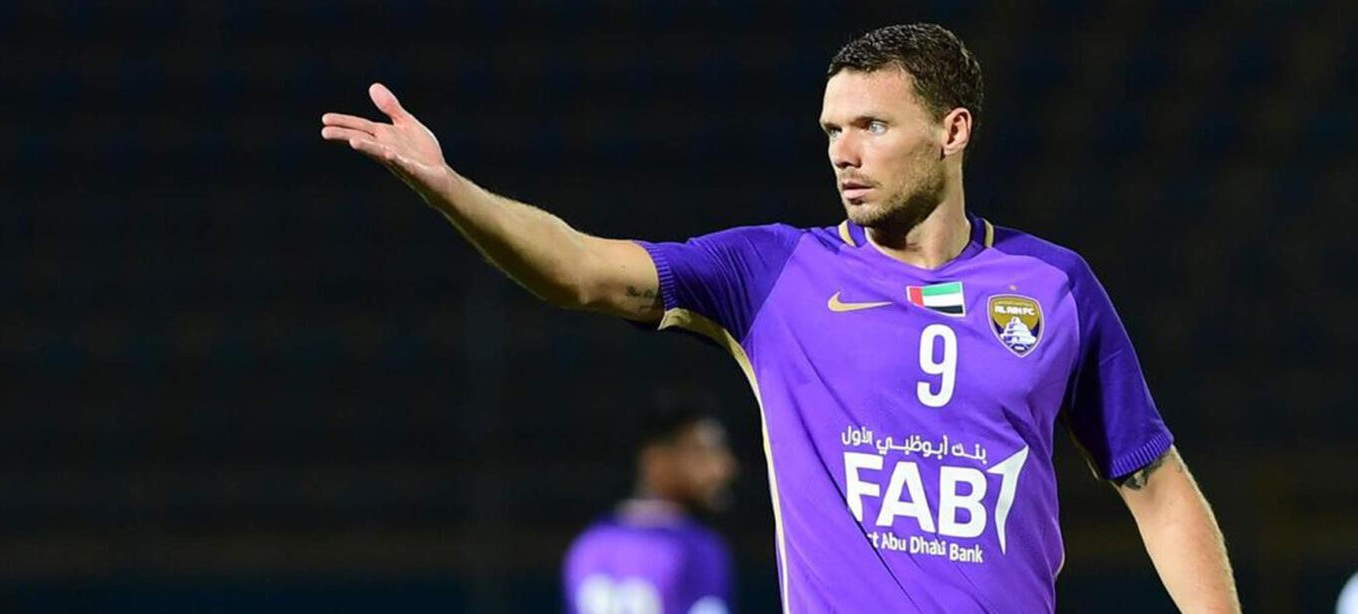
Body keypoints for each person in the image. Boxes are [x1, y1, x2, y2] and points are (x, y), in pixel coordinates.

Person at [320, 22, 1239, 613]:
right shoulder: (774, 272)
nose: (843, 153)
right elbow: (581, 271)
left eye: (872, 126)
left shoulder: (1053, 287)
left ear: (953, 131)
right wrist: (450, 189)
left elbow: (1157, 488)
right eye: (832, 130)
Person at [563, 392, 738, 614]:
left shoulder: (589, 545)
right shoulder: (697, 548)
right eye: (702, 453)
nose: (725, 468)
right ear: (656, 460)